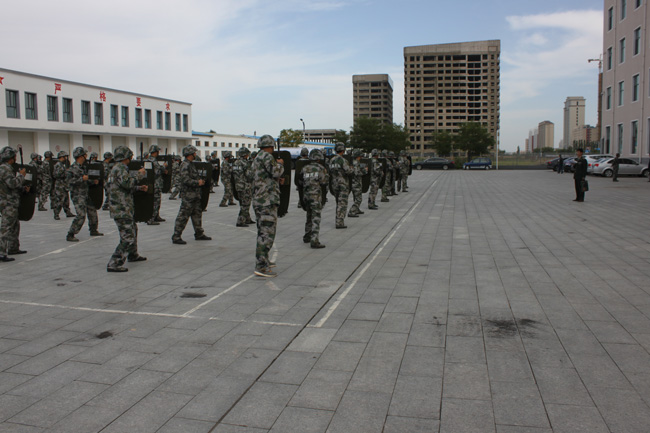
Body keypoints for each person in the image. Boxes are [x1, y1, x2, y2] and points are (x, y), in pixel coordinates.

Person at [106, 146, 147, 272]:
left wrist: (139, 188)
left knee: (133, 229)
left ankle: (133, 254)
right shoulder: (121, 168)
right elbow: (128, 183)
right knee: (128, 236)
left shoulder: (115, 169)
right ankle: (114, 263)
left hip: (121, 207)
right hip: (121, 209)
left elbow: (123, 188)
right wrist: (140, 175)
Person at [251, 135, 284, 277]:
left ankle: (263, 260)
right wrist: (281, 164)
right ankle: (261, 266)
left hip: (260, 200)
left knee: (263, 231)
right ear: (271, 145)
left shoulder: (257, 158)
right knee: (267, 233)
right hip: (267, 202)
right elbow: (276, 171)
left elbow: (266, 177)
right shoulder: (267, 157)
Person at [171, 145, 211, 244]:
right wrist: (197, 182)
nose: (195, 154)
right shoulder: (185, 165)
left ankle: (199, 233)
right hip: (188, 196)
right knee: (183, 216)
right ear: (190, 154)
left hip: (195, 195)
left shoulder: (191, 164)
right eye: (194, 152)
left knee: (197, 215)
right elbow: (185, 180)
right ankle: (176, 236)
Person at [66, 147, 103, 241]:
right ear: (80, 156)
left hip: (86, 194)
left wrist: (92, 181)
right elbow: (68, 182)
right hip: (78, 196)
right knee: (81, 215)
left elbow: (86, 180)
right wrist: (82, 179)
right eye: (84, 155)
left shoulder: (85, 167)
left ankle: (93, 230)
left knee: (92, 212)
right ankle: (71, 234)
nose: (86, 156)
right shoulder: (72, 169)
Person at [0, 146, 30, 261]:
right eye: (14, 157)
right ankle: (1, 252)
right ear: (10, 158)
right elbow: (12, 184)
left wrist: (22, 188)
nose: (15, 158)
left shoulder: (6, 168)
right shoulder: (4, 169)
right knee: (6, 227)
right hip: (8, 203)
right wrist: (22, 175)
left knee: (14, 227)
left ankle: (13, 248)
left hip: (11, 202)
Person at [299, 149, 328, 248]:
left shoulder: (305, 168)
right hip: (315, 196)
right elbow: (324, 182)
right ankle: (314, 240)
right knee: (316, 217)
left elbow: (300, 182)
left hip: (306, 196)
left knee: (309, 215)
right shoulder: (321, 168)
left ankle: (307, 236)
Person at [329, 143, 352, 229]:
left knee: (338, 202)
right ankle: (339, 222)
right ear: (343, 150)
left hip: (334, 183)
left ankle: (338, 219)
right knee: (342, 203)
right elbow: (348, 171)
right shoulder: (343, 160)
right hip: (343, 184)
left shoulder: (331, 160)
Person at [233, 147, 254, 227]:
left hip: (238, 186)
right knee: (246, 204)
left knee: (243, 203)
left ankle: (247, 219)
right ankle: (240, 221)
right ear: (245, 154)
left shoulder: (236, 162)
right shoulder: (245, 163)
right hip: (245, 186)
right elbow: (249, 175)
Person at [147, 144, 167, 225]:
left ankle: (156, 216)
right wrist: (163, 167)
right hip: (155, 184)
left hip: (154, 184)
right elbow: (157, 172)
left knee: (156, 201)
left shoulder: (149, 160)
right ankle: (151, 218)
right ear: (155, 152)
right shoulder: (153, 161)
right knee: (155, 202)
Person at [52, 151, 75, 220]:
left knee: (66, 200)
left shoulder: (62, 165)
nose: (66, 158)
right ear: (61, 157)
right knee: (60, 200)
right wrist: (66, 173)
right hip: (60, 185)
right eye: (65, 157)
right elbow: (56, 175)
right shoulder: (58, 165)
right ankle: (56, 214)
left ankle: (68, 212)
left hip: (64, 185)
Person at [348, 149, 365, 218]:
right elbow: (357, 173)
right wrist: (364, 171)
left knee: (356, 197)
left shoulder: (352, 162)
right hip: (356, 183)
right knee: (359, 198)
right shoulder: (356, 163)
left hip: (353, 182)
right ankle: (352, 211)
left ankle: (357, 209)